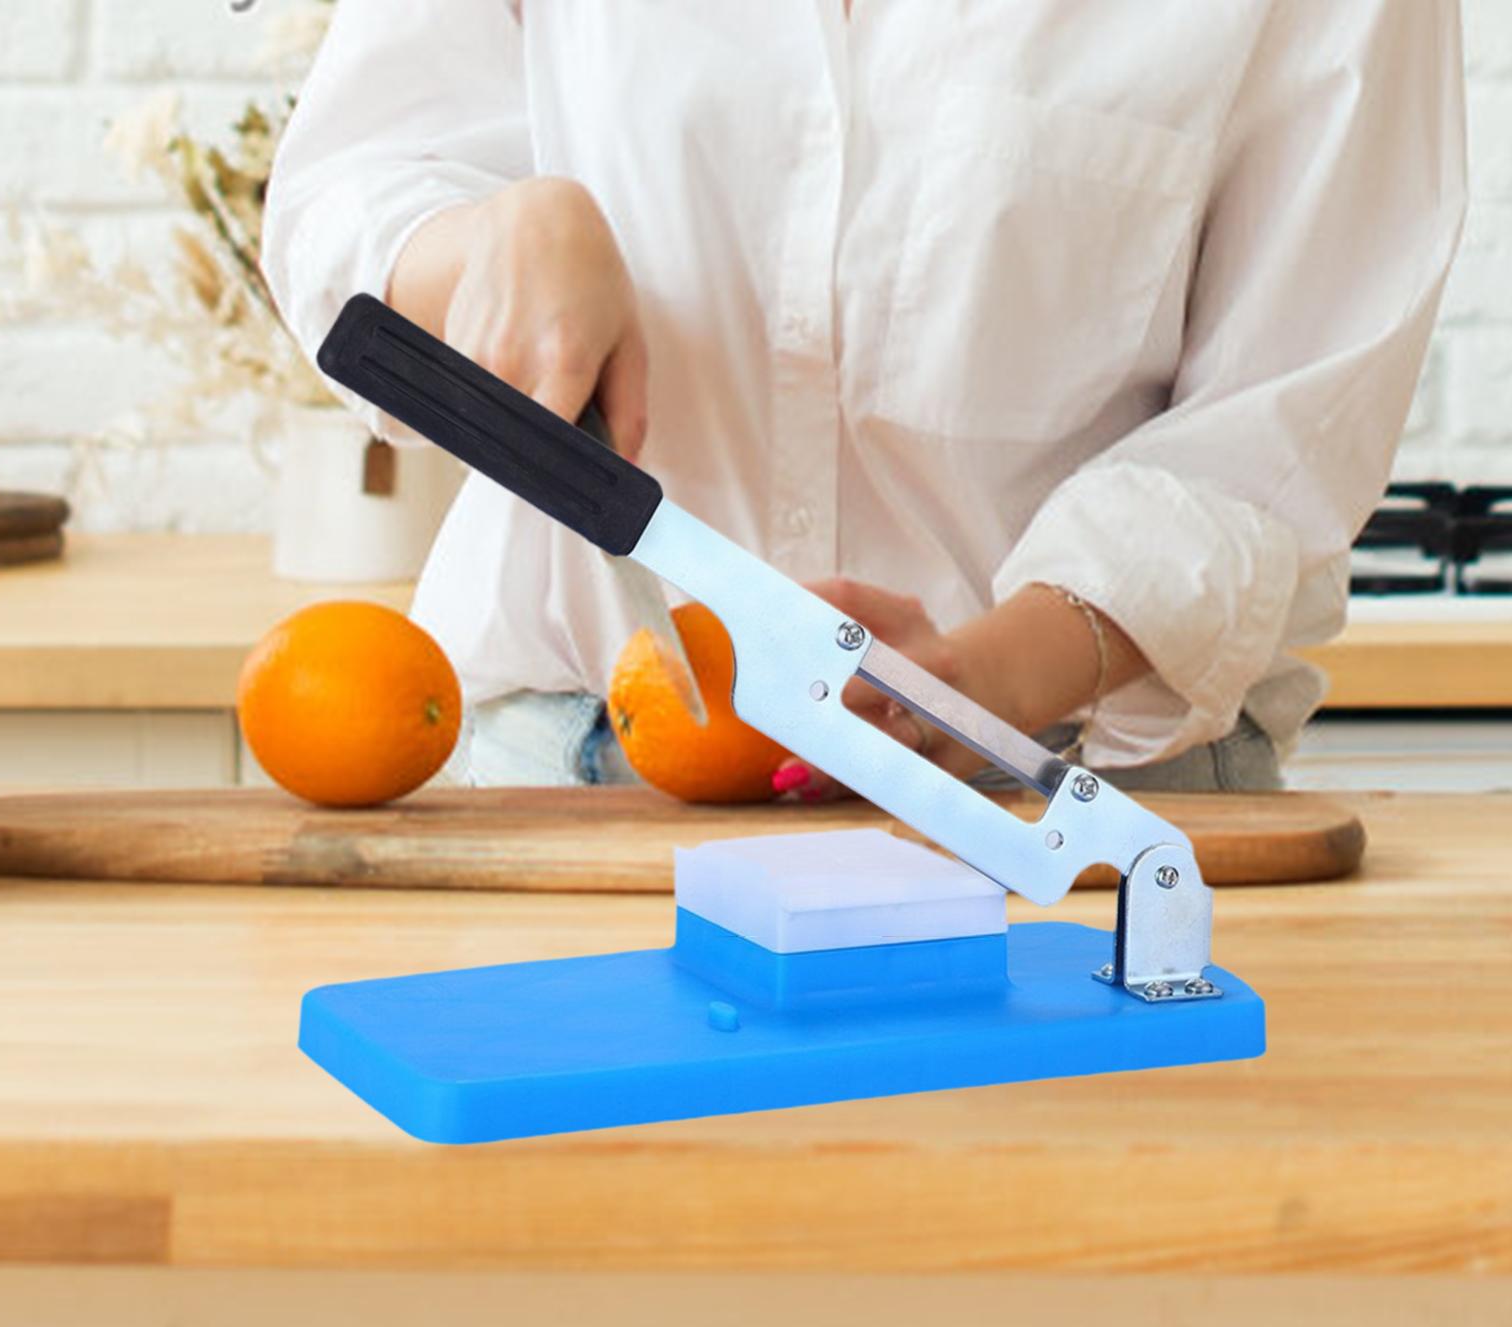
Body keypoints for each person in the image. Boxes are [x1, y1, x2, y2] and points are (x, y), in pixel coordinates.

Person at [264, 1, 1464, 796]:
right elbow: (349, 189)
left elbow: (1290, 408)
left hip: (1063, 805)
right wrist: (492, 237)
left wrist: (990, 677)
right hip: (574, 783)